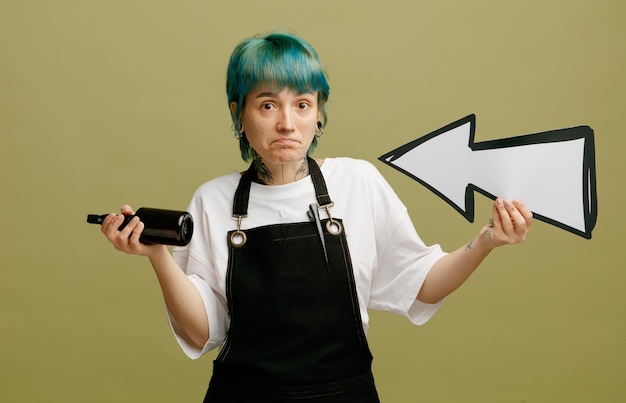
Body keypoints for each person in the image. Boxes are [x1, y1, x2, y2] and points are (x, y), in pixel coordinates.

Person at [100, 31, 532, 402]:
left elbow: (423, 282)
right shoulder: (213, 201)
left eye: (302, 105)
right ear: (238, 114)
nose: (287, 123)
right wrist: (157, 254)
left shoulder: (359, 182)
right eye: (268, 106)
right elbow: (199, 333)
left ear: (319, 114)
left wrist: (486, 241)